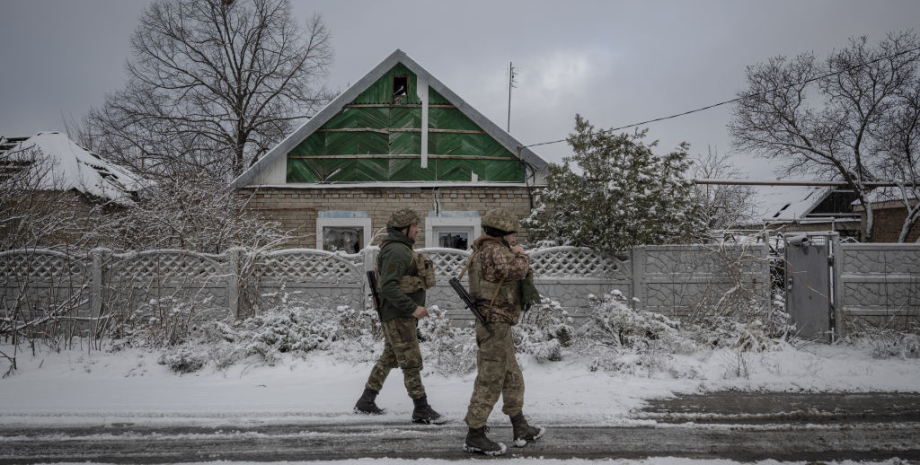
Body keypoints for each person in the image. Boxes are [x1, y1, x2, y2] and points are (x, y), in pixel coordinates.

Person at [462, 208, 545, 456]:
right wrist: (522, 256)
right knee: (491, 377)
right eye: (512, 234)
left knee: (511, 375)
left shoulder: (485, 249)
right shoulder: (494, 250)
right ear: (502, 233)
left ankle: (520, 426)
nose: (515, 239)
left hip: (498, 323)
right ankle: (475, 434)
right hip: (494, 322)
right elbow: (515, 271)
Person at [354, 208, 441, 424]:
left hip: (398, 315)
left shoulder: (400, 249)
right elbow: (389, 287)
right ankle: (421, 408)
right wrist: (413, 308)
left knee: (390, 357)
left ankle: (366, 400)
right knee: (410, 361)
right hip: (399, 315)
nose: (418, 230)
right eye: (415, 226)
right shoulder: (396, 251)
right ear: (404, 228)